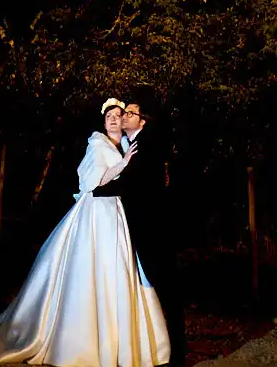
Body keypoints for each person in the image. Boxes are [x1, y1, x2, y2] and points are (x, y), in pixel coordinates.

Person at [0, 99, 171, 366]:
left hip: (116, 214)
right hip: (96, 214)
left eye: (119, 115)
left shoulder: (126, 145)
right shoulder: (97, 144)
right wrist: (123, 164)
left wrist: (126, 162)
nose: (115, 119)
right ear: (103, 123)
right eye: (109, 116)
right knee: (91, 269)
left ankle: (118, 339)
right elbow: (94, 182)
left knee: (117, 272)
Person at [92, 96, 184, 367]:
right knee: (153, 285)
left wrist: (97, 190)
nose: (125, 117)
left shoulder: (147, 145)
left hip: (153, 228)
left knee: (164, 285)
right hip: (143, 225)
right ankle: (160, 344)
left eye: (131, 113)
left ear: (142, 121)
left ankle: (177, 349)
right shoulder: (134, 144)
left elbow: (132, 185)